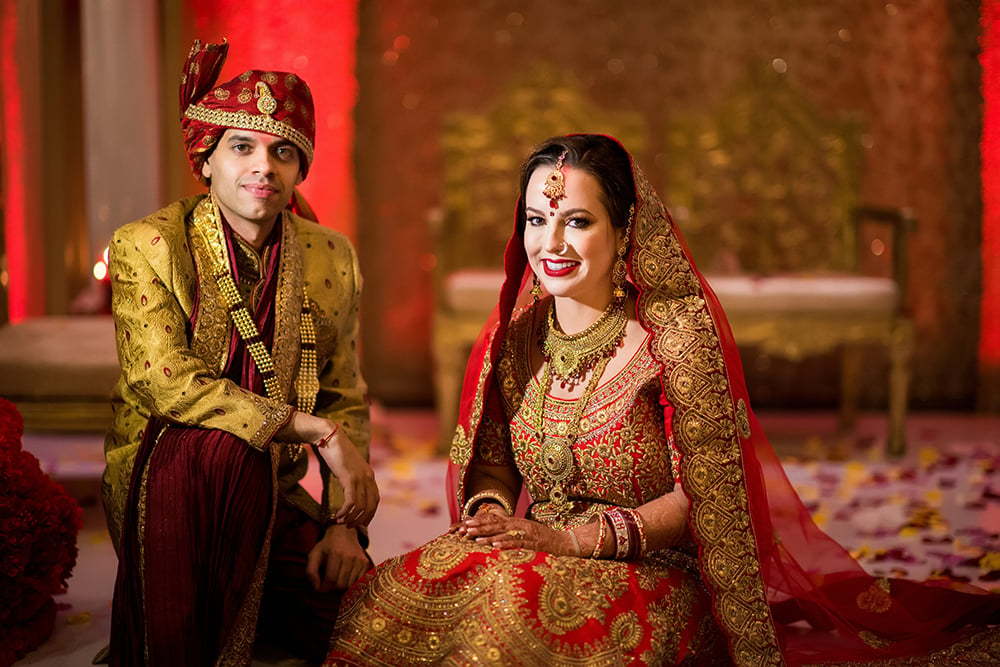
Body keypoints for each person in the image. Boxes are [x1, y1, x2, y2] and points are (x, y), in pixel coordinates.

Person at [325, 134, 1000, 666]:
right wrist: (494, 512)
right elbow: (495, 453)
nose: (550, 244)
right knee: (398, 594)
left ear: (625, 232)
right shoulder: (515, 333)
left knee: (516, 615)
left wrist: (569, 539)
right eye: (536, 218)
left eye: (577, 221)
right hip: (532, 547)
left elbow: (701, 495)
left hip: (651, 569)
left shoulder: (673, 340)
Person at [101, 40, 378, 666]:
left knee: (358, 619)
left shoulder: (330, 257)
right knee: (223, 447)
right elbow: (163, 383)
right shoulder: (148, 244)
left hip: (275, 494)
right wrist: (308, 428)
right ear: (206, 160)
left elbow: (343, 393)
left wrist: (343, 523)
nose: (264, 166)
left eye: (284, 151)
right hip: (172, 484)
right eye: (242, 146)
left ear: (301, 169)